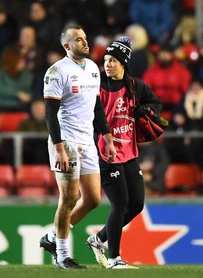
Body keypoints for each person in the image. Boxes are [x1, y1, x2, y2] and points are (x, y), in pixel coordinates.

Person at [39, 25, 116, 270]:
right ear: (66, 46)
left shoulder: (93, 68)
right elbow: (50, 115)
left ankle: (52, 238)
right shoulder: (57, 71)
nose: (85, 42)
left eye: (85, 38)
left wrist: (107, 135)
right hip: (67, 141)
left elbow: (97, 107)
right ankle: (62, 256)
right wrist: (59, 147)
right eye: (79, 39)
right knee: (70, 196)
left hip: (87, 141)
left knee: (92, 199)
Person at [86, 36, 162, 269]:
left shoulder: (135, 86)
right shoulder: (97, 85)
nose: (107, 64)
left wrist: (145, 109)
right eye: (106, 60)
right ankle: (113, 258)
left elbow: (156, 104)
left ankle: (99, 239)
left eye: (113, 60)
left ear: (124, 63)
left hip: (129, 152)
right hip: (106, 153)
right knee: (119, 205)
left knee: (136, 204)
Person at [17, 99, 49, 164]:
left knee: (40, 145)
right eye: (34, 108)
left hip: (47, 149)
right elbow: (19, 137)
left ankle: (41, 170)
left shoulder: (52, 123)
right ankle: (15, 171)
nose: (36, 110)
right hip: (28, 148)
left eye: (39, 108)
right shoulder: (25, 123)